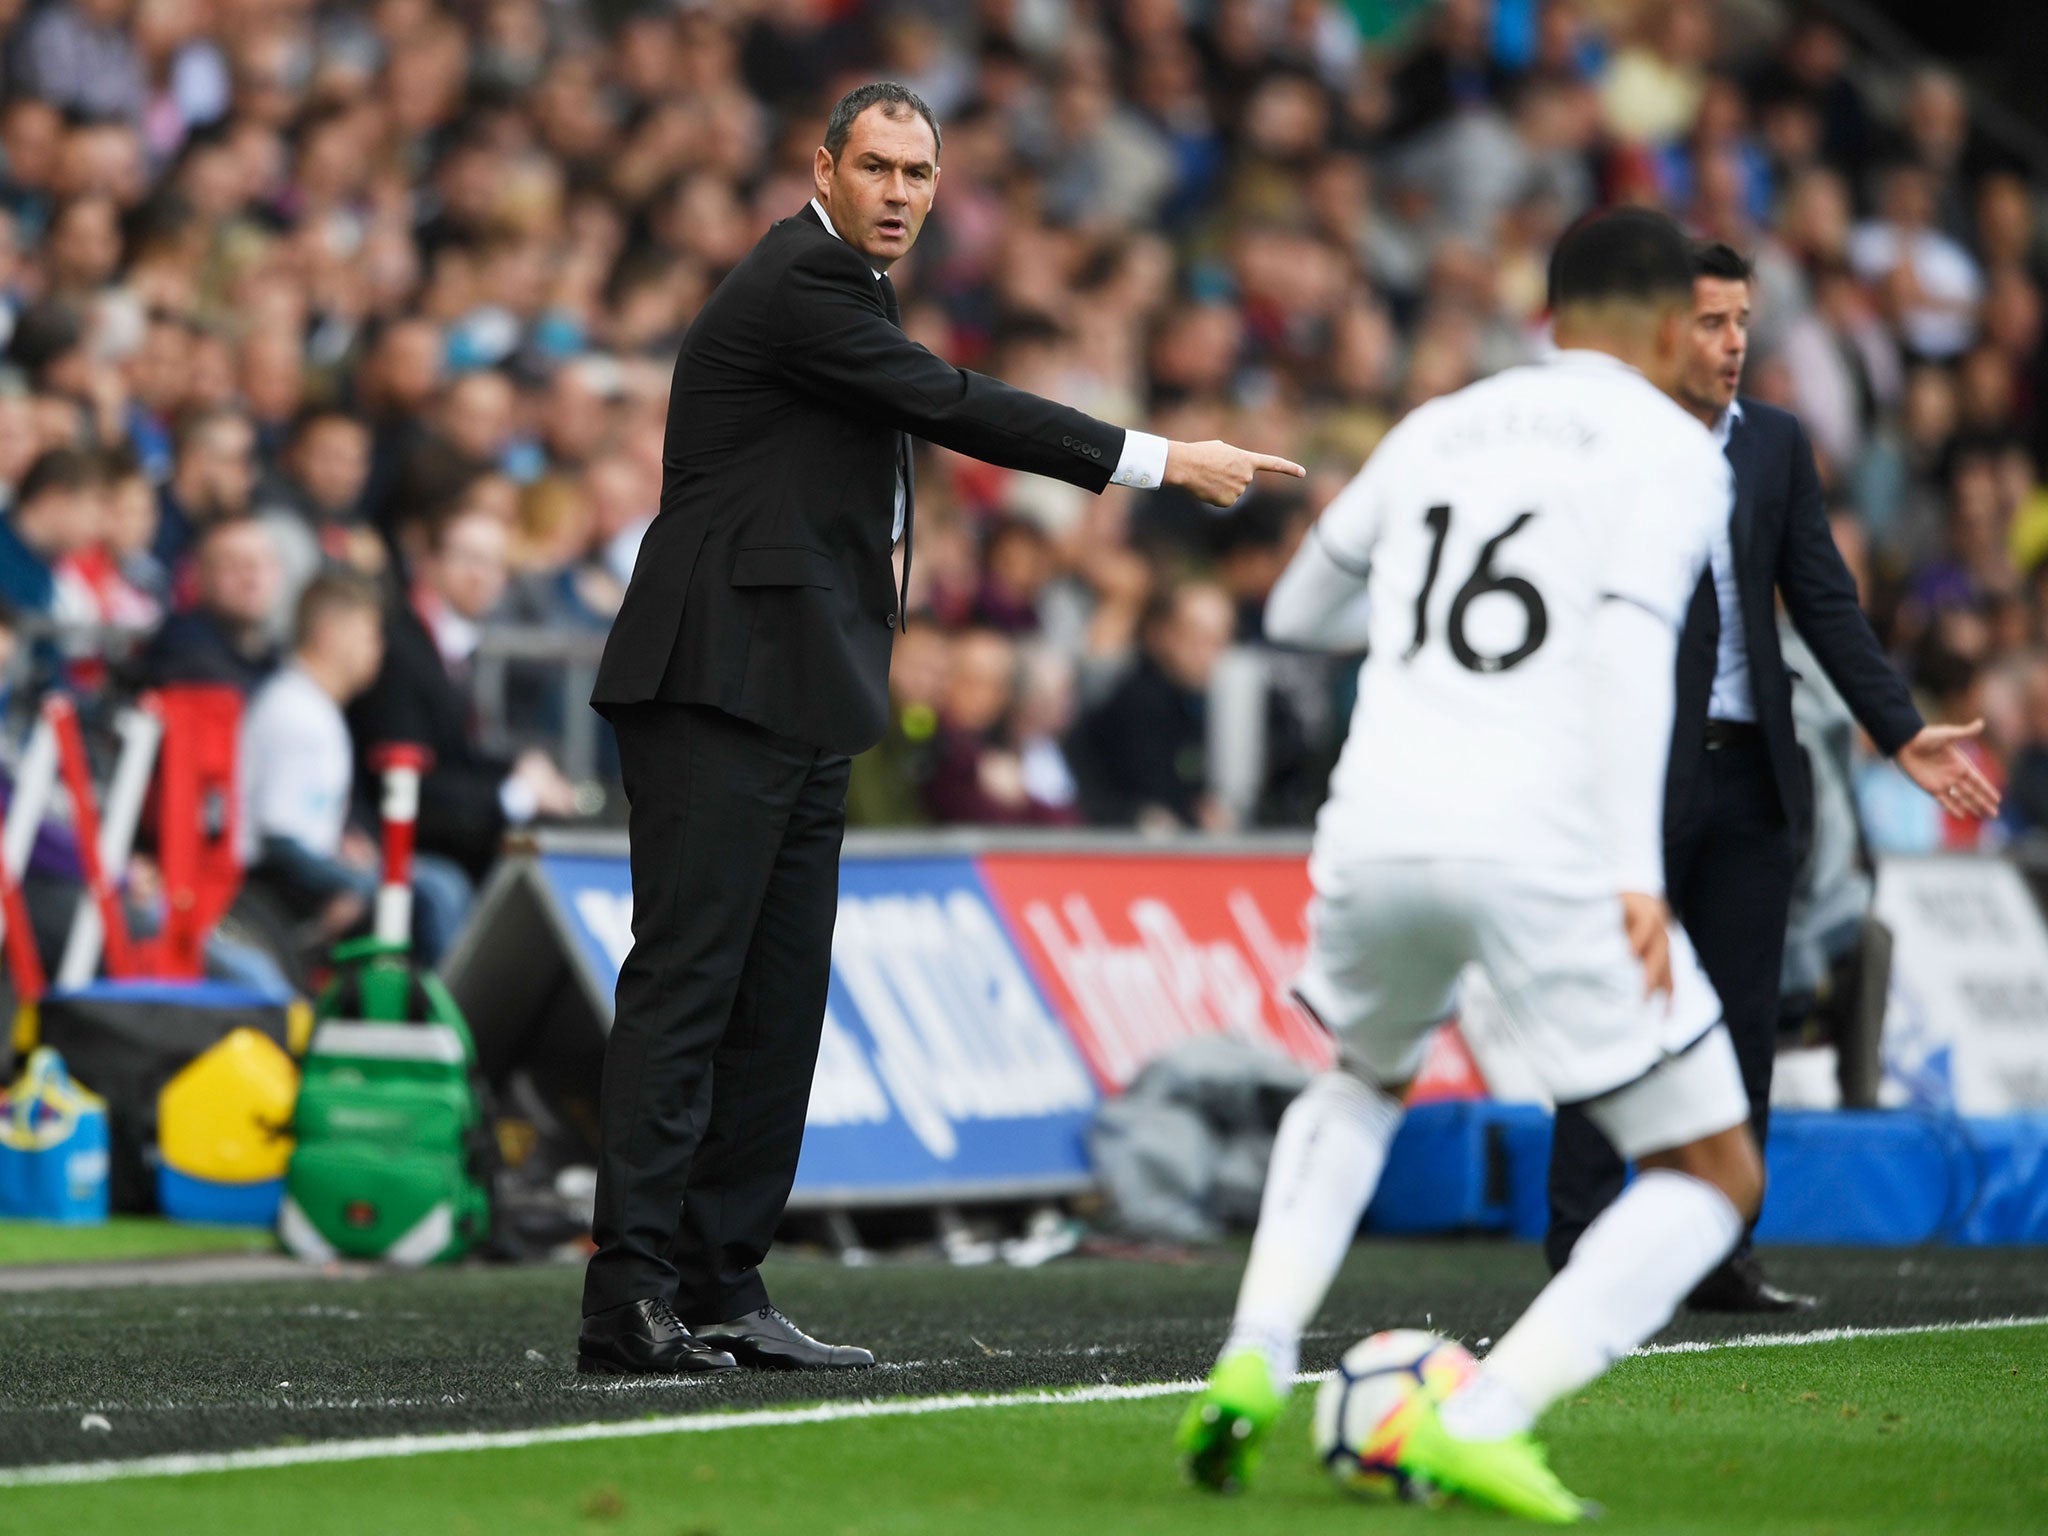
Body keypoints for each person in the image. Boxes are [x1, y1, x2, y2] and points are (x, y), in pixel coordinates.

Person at [578, 80, 1303, 1378]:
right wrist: (1153, 458)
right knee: (690, 986)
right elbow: (954, 403)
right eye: (879, 167)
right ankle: (626, 1296)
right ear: (826, 167)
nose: (901, 192)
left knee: (778, 1001)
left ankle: (722, 1285)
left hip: (799, 685)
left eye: (920, 171)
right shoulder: (801, 280)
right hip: (717, 679)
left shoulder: (851, 287)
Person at [1179, 207, 1762, 1520]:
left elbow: (1294, 613)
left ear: (1551, 313)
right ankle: (1485, 1417)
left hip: (1376, 822)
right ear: (1671, 325)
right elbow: (1623, 653)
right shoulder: (1671, 453)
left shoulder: (1439, 424)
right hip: (1543, 845)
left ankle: (1251, 1358)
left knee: (1360, 1079)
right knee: (1714, 1173)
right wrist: (1635, 873)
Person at [1544, 242, 2000, 1313]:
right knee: (1610, 1005)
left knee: (1738, 1019)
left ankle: (1713, 1253)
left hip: (1754, 777)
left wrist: (1896, 732)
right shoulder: (1601, 448)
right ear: (1664, 331)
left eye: (1742, 320)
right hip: (1633, 781)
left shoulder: (1777, 446)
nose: (1733, 341)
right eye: (1710, 322)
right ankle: (1574, 1251)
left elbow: (1825, 601)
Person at [238, 571, 472, 968]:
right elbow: (279, 842)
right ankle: (428, 1014)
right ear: (329, 633)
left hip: (304, 875)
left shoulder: (316, 708)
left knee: (435, 881)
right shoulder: (294, 712)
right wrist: (352, 885)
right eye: (370, 635)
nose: (378, 650)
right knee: (434, 889)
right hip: (273, 892)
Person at [346, 503, 580, 886]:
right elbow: (406, 779)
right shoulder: (399, 647)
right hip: (392, 844)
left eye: (494, 564)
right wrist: (513, 793)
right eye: (468, 559)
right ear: (429, 562)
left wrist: (516, 770)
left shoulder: (449, 645)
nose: (482, 577)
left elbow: (454, 755)